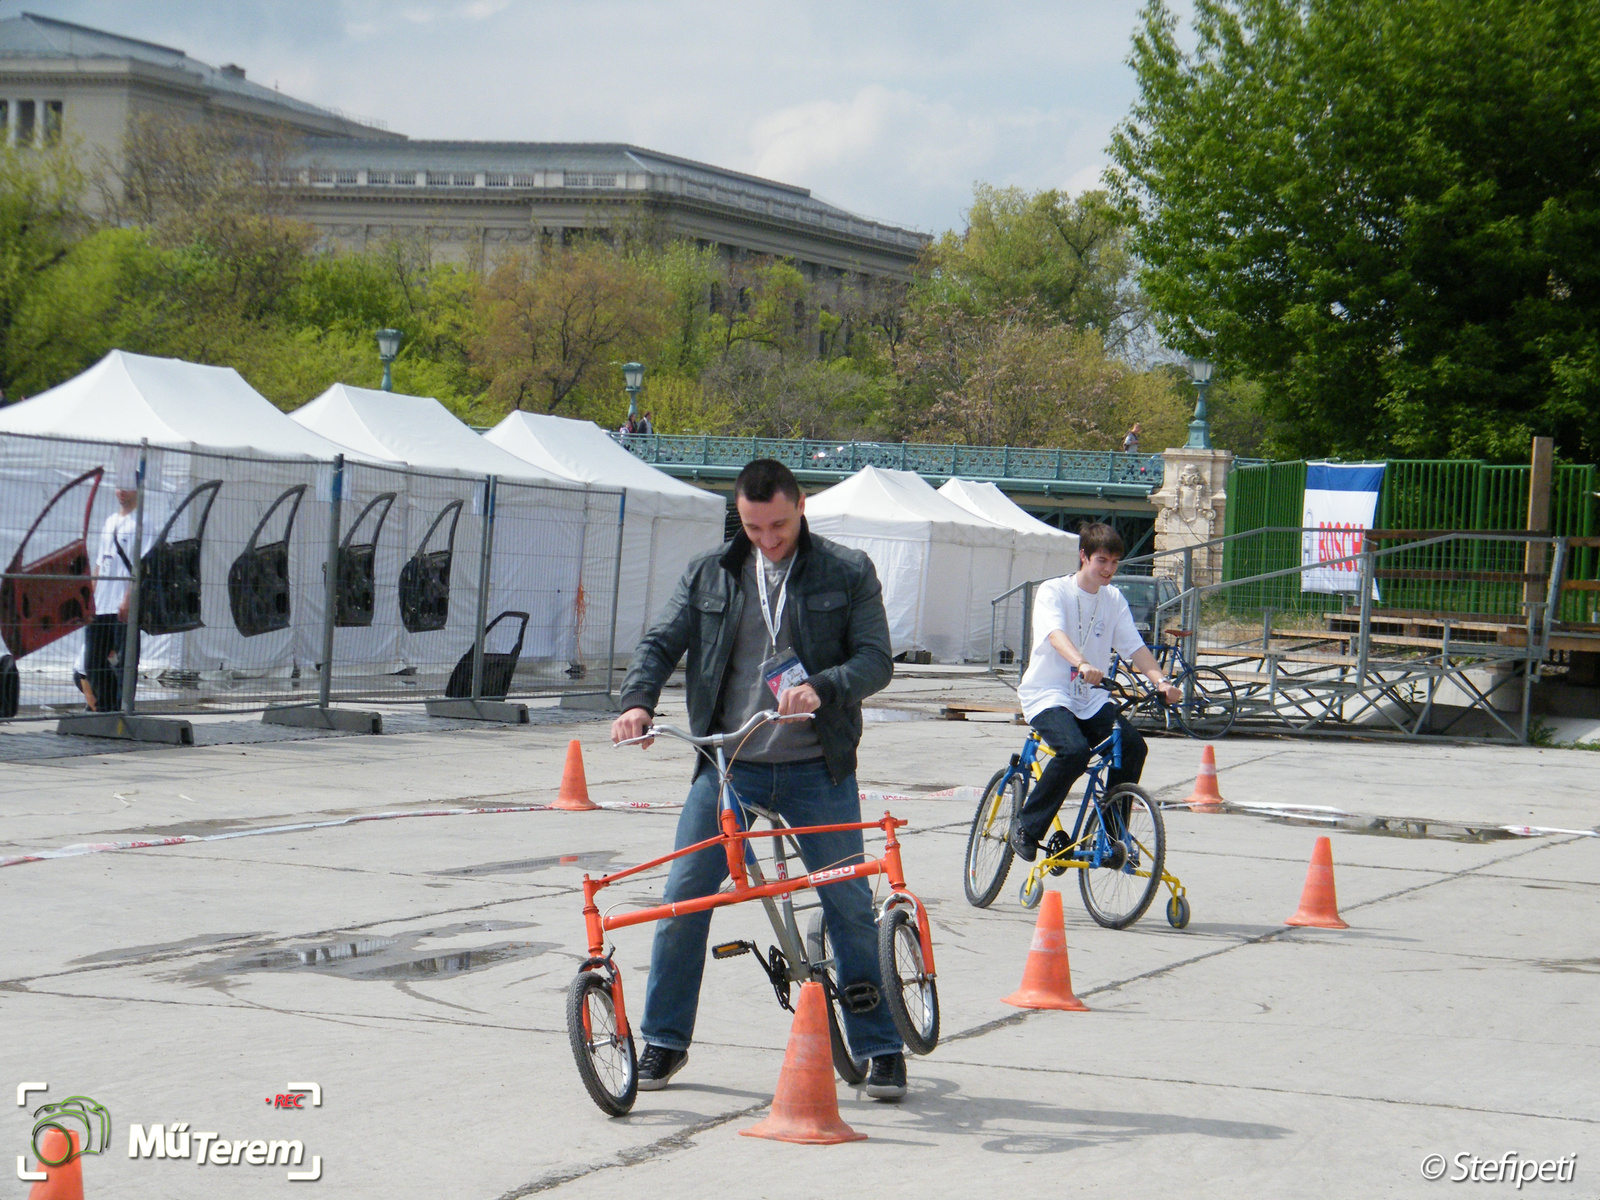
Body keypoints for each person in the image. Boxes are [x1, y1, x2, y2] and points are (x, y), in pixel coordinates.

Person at [611, 458, 907, 1098]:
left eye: (777, 524)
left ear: (801, 505)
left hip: (816, 767)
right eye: (753, 527)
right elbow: (661, 641)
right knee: (684, 898)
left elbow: (876, 660)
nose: (767, 539)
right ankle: (663, 1042)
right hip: (731, 769)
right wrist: (637, 700)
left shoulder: (847, 571)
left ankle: (880, 1047)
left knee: (849, 904)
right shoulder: (710, 573)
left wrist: (825, 688)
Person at [1009, 522, 1181, 862]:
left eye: (1115, 563)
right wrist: (1082, 663)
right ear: (1083, 556)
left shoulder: (1113, 599)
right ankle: (1027, 826)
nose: (1109, 570)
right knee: (1074, 751)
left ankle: (1113, 835)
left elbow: (1135, 647)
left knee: (1132, 746)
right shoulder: (1053, 592)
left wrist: (1160, 681)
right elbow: (1055, 634)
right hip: (1049, 693)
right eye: (1102, 561)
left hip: (1089, 698)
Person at [84, 486, 143, 712]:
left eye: (127, 486)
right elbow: (100, 563)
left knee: (124, 663)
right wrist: (91, 597)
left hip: (122, 603)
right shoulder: (110, 521)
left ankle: (123, 709)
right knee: (93, 661)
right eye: (119, 486)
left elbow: (142, 565)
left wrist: (128, 598)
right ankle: (107, 708)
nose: (121, 491)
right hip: (101, 604)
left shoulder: (142, 523)